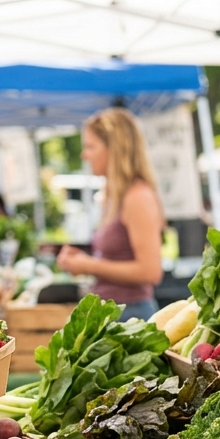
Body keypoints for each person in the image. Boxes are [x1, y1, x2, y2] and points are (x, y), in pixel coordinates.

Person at [57, 108, 165, 322]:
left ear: (114, 149)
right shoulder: (115, 196)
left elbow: (151, 271)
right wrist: (80, 258)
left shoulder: (138, 197)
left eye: (90, 146)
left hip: (132, 318)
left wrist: (88, 265)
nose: (84, 154)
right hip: (117, 315)